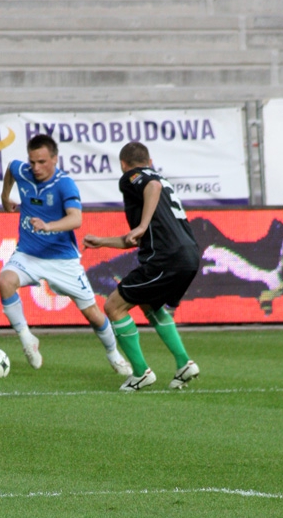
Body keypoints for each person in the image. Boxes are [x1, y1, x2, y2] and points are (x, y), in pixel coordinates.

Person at [0, 133, 131, 376]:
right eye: (32, 162)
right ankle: (27, 339)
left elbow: (76, 218)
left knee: (93, 314)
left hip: (63, 260)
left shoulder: (64, 184)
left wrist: (48, 226)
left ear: (54, 159)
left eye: (42, 162)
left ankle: (114, 354)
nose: (36, 167)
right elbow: (10, 168)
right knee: (5, 281)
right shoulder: (22, 170)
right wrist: (5, 197)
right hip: (28, 254)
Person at [83, 140, 201, 392]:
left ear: (123, 164)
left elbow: (152, 187)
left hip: (166, 257)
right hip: (189, 255)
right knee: (150, 303)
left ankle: (140, 372)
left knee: (113, 306)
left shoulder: (133, 177)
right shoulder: (161, 180)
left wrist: (142, 225)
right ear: (150, 160)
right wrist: (102, 241)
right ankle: (183, 363)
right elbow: (134, 238)